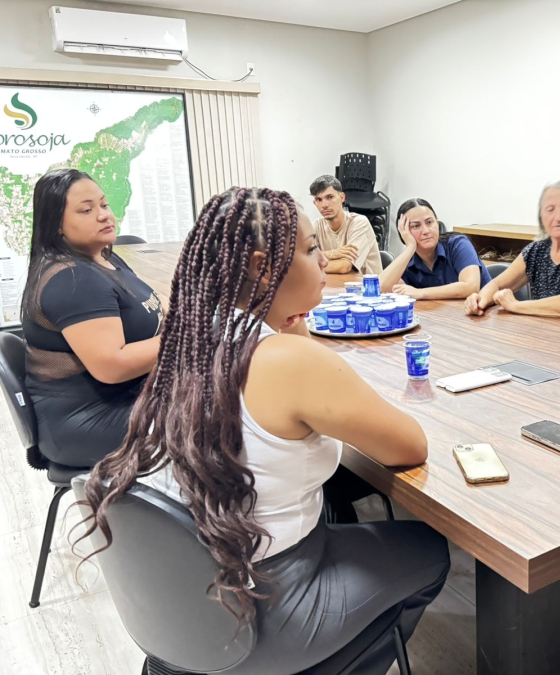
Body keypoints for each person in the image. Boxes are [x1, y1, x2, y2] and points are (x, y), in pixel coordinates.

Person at [79, 187, 449, 674]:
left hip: (188, 593)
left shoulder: (190, 337)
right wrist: (298, 335)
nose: (321, 264)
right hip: (267, 604)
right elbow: (409, 446)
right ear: (260, 265)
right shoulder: (286, 361)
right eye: (311, 249)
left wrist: (286, 317)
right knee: (429, 548)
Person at [21, 169, 162, 467]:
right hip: (88, 421)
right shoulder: (73, 280)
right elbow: (113, 366)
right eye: (86, 210)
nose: (103, 215)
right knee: (220, 413)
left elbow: (144, 313)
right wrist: (187, 338)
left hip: (124, 398)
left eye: (104, 204)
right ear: (56, 224)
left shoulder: (104, 257)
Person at [465, 179, 560, 324]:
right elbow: (497, 284)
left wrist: (515, 306)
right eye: (550, 209)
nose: (558, 217)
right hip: (547, 337)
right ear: (541, 216)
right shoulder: (537, 250)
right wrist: (480, 301)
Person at [379, 198, 491, 300]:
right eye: (416, 226)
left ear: (437, 224)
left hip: (482, 315)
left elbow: (470, 287)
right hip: (440, 317)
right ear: (404, 232)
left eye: (429, 222)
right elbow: (380, 288)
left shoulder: (458, 244)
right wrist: (410, 248)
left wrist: (421, 293)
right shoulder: (407, 260)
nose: (426, 231)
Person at [309, 174, 382, 275]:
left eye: (329, 197)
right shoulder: (316, 226)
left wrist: (315, 263)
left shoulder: (359, 223)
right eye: (319, 200)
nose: (324, 205)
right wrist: (332, 254)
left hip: (366, 288)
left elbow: (344, 266)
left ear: (342, 197)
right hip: (335, 286)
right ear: (314, 203)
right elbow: (302, 259)